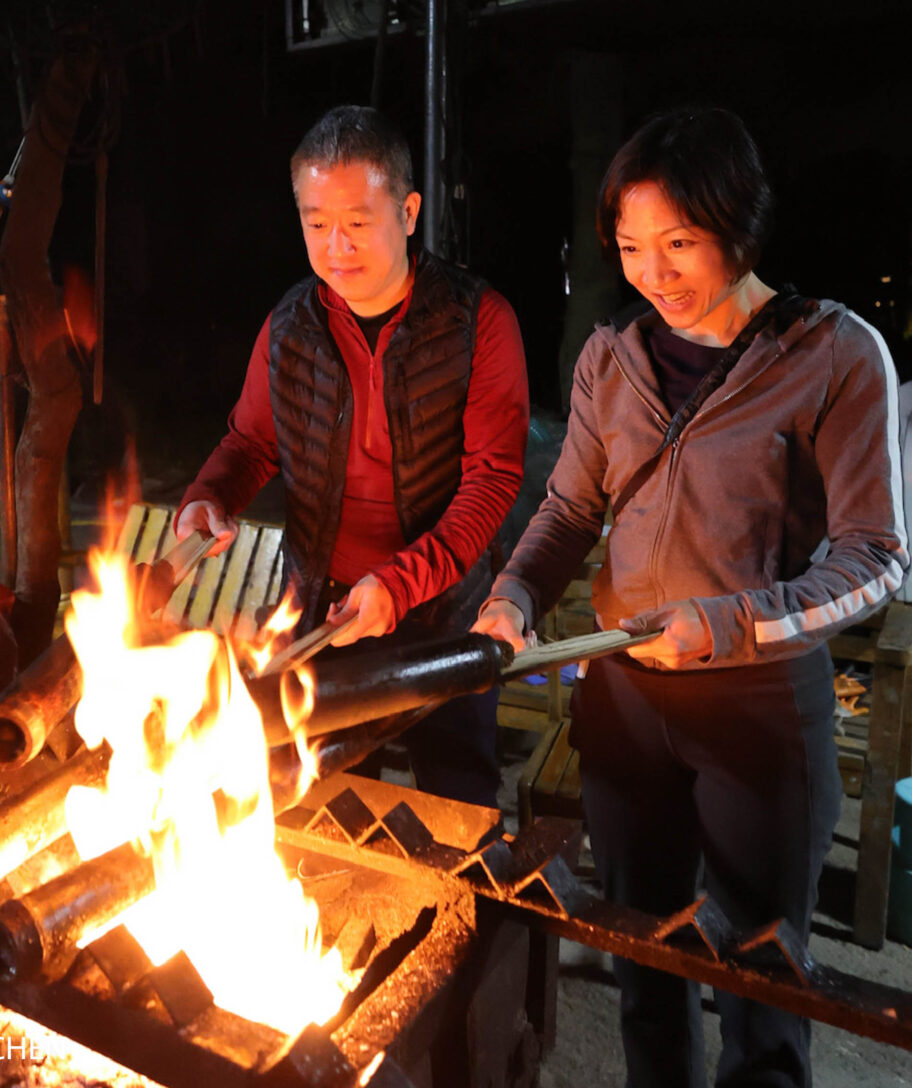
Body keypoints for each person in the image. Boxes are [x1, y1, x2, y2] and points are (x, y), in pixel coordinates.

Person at [473, 106, 907, 1087]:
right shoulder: (612, 356)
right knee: (647, 967)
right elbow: (570, 507)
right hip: (627, 709)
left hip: (760, 714)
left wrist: (724, 623)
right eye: (630, 247)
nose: (654, 274)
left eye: (680, 243)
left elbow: (877, 558)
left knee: (763, 981)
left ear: (738, 229)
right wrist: (514, 595)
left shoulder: (833, 355)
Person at [175, 105, 530, 808]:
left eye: (358, 222)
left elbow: (493, 482)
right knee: (322, 801)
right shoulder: (291, 324)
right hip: (321, 610)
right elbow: (251, 443)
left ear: (408, 211)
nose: (336, 246)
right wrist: (207, 497)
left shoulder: (478, 321)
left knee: (456, 801)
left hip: (443, 613)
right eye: (315, 222)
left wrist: (401, 585)